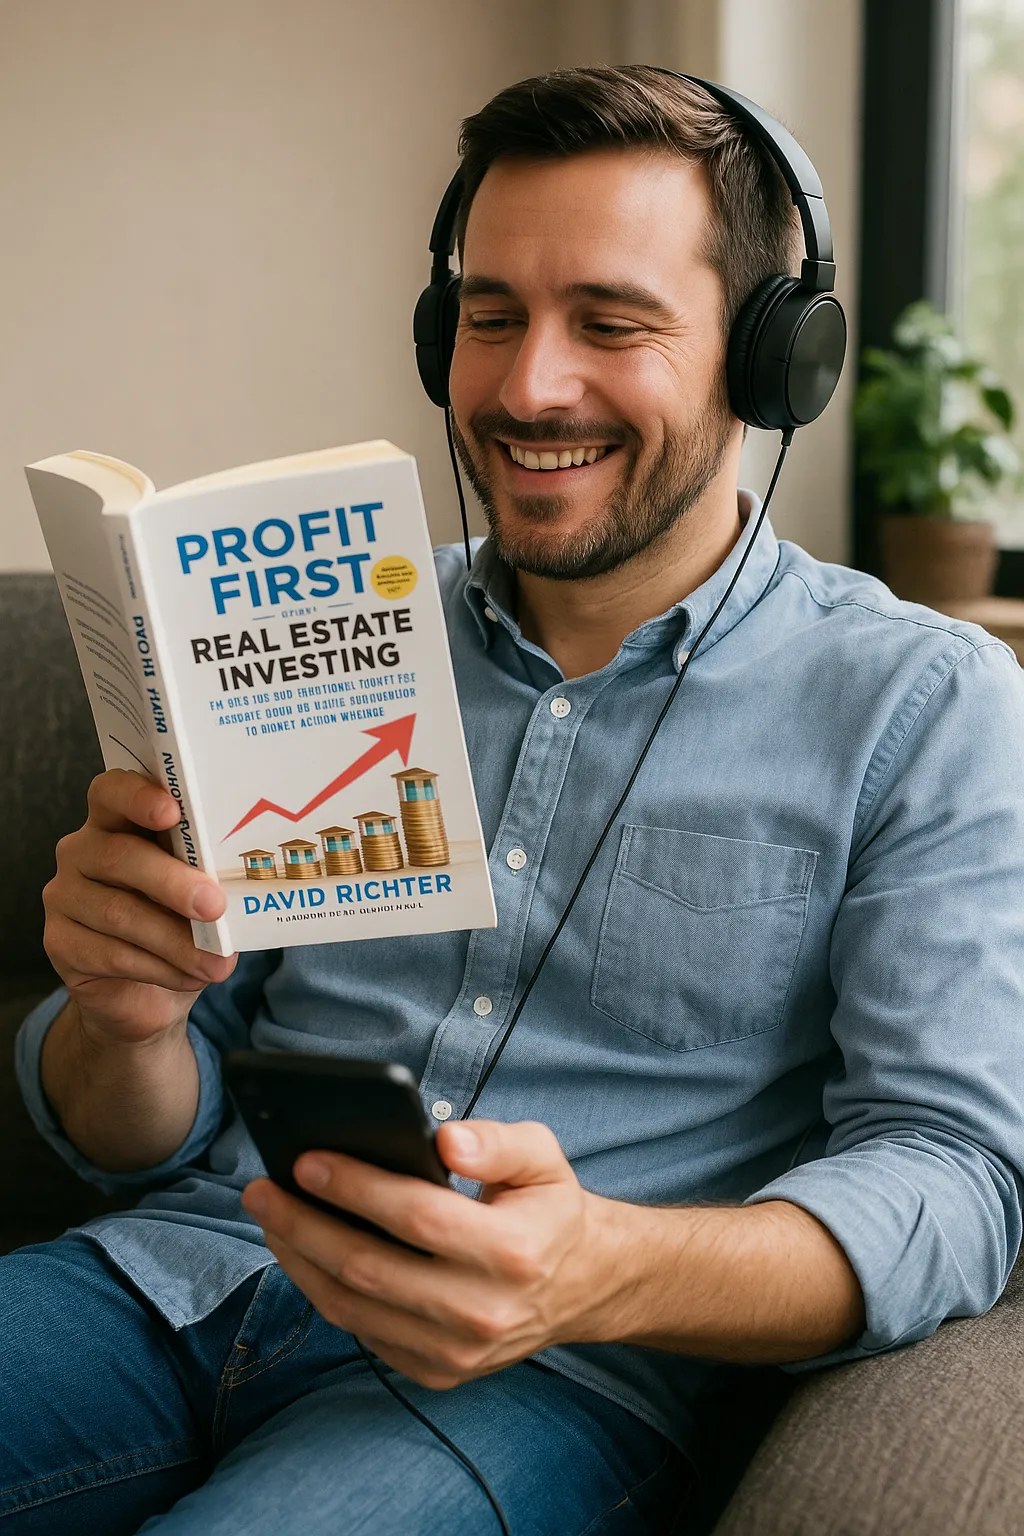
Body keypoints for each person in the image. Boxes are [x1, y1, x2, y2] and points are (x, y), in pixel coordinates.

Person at [6, 65, 1024, 1536]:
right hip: (177, 1270)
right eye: (489, 318)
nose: (529, 385)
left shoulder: (923, 705)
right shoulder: (329, 635)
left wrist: (600, 1265)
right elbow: (146, 1124)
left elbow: (956, 1177)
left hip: (551, 1381)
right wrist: (124, 1014)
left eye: (610, 324)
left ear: (767, 359)